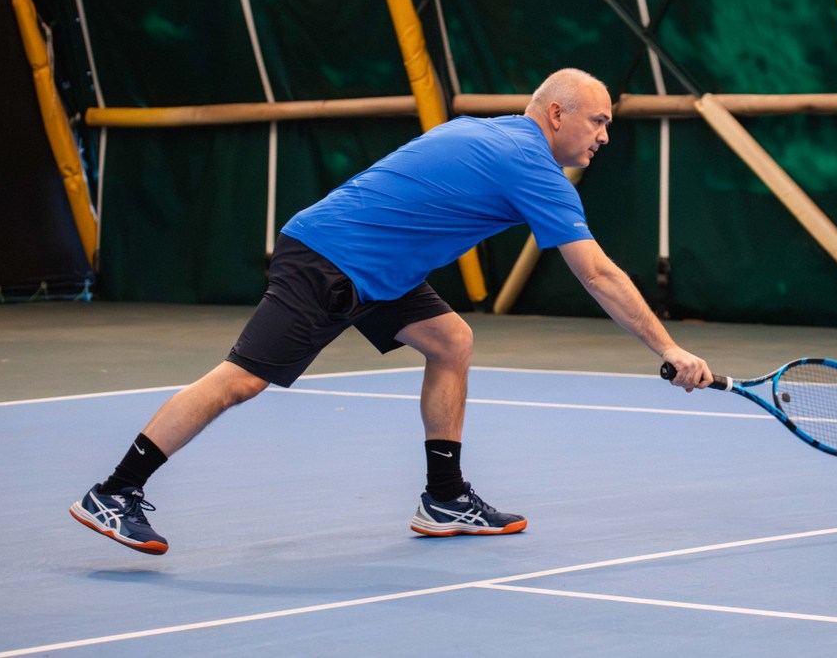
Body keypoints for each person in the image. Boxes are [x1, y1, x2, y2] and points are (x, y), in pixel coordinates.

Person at [70, 68, 713, 554]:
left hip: (378, 269)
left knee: (451, 341)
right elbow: (597, 273)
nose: (604, 135)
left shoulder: (489, 133)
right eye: (598, 121)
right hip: (330, 260)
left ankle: (445, 498)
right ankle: (114, 491)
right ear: (555, 113)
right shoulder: (530, 164)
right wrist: (669, 348)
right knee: (241, 380)